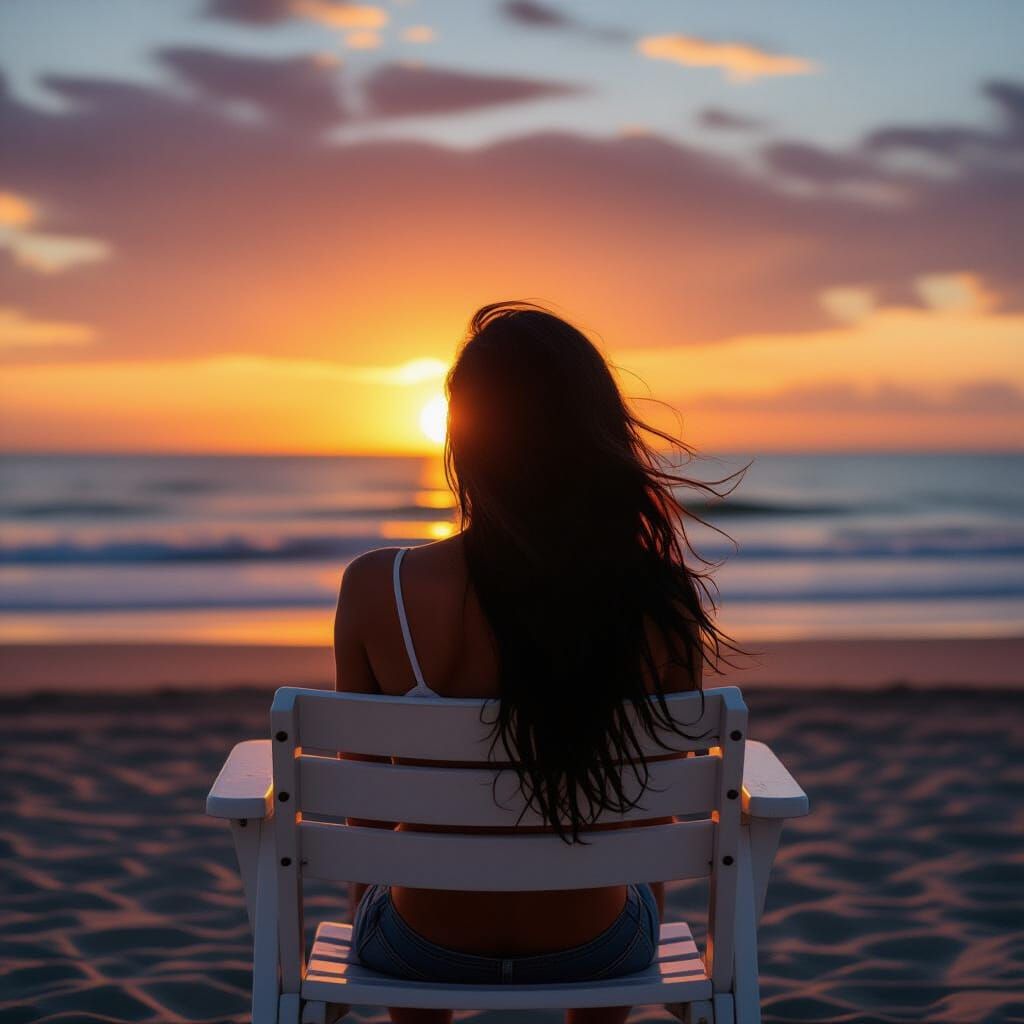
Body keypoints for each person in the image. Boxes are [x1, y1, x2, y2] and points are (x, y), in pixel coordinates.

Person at [333, 302, 737, 1024]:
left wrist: (379, 931)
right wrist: (633, 945)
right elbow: (662, 810)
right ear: (596, 434)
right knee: (626, 895)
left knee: (395, 910)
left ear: (464, 437)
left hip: (422, 943)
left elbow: (363, 809)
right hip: (598, 945)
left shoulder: (376, 587)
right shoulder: (656, 600)